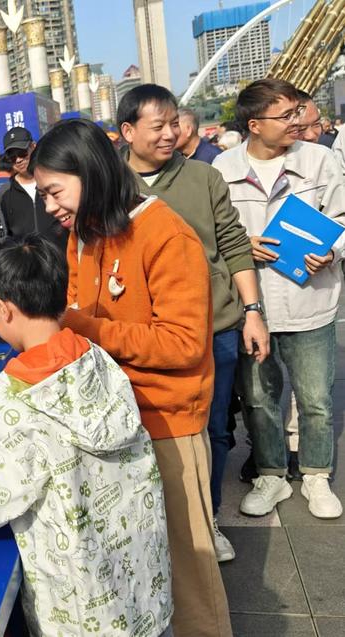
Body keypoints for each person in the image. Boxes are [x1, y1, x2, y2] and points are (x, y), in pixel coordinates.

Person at [34, 119, 231, 637]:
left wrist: (87, 327)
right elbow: (77, 309)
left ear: (91, 170)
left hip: (168, 423)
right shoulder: (82, 234)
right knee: (143, 560)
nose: (50, 206)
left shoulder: (165, 233)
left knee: (190, 568)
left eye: (55, 191)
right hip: (115, 424)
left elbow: (185, 343)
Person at [0, 235, 173, 637]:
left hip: (79, 616)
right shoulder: (99, 360)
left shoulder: (13, 402)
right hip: (144, 595)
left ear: (3, 310)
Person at [117, 83, 269, 563]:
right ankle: (156, 525)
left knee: (214, 428)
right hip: (144, 334)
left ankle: (208, 519)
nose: (169, 134)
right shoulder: (111, 185)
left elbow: (234, 246)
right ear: (127, 131)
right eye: (156, 126)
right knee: (147, 432)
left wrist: (252, 312)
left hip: (215, 328)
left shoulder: (204, 177)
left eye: (174, 124)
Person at [212, 78, 345, 520]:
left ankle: (315, 475)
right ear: (254, 124)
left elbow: (342, 216)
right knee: (259, 398)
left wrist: (333, 249)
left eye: (296, 113)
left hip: (311, 301)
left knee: (316, 398)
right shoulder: (222, 169)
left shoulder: (320, 160)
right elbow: (212, 232)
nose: (296, 122)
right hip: (254, 307)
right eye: (285, 116)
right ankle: (270, 474)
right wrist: (240, 243)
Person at [0, 127, 65, 245]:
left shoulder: (55, 181)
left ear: (33, 147)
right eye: (12, 157)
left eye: (22, 153)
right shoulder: (5, 192)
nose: (18, 160)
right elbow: (4, 237)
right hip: (25, 261)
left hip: (60, 258)